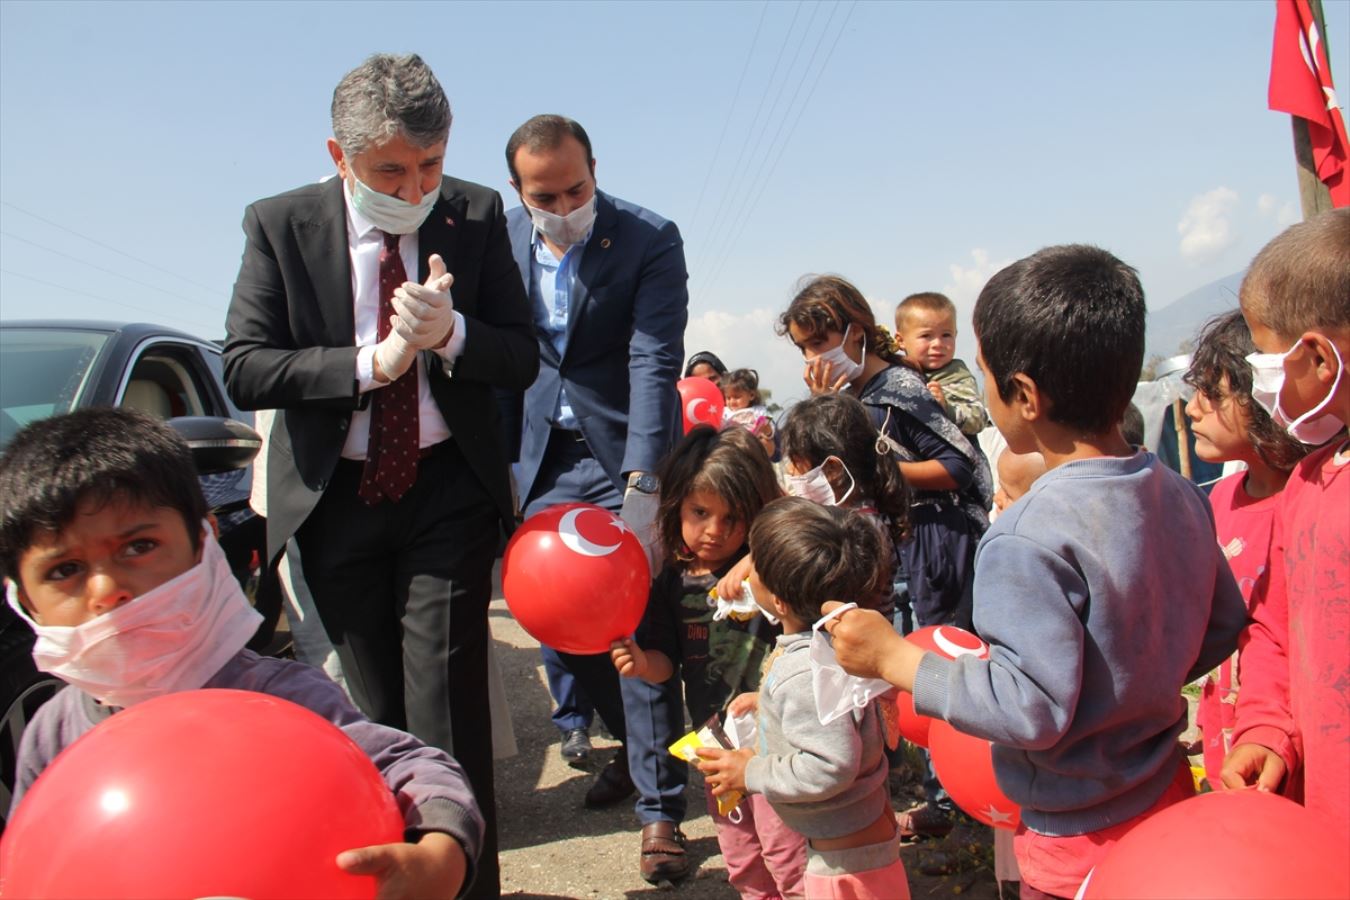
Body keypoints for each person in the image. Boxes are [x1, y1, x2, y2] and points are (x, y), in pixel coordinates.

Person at [821, 244, 1247, 900]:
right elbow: (1220, 627)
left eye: (986, 374)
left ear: (1022, 395)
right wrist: (1134, 684)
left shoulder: (1026, 536)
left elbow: (1028, 711)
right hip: (1167, 798)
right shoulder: (1181, 493)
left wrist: (895, 663)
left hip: (1076, 835)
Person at [222, 54, 538, 897]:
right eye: (391, 171)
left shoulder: (473, 213)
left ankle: (468, 887)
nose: (416, 186)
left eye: (430, 164)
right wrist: (370, 362)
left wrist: (453, 335)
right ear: (340, 156)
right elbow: (246, 367)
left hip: (446, 493)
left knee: (449, 715)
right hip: (338, 502)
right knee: (377, 723)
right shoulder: (280, 225)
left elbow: (520, 353)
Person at [0, 408, 485, 898]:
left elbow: (411, 768)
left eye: (138, 546)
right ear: (23, 597)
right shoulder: (52, 735)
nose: (106, 589)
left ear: (203, 542)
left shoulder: (281, 699)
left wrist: (438, 850)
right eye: (64, 570)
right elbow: (33, 860)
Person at [500, 113, 689, 877]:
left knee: (632, 626)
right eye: (546, 195)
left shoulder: (648, 238)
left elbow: (653, 359)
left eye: (577, 187)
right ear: (520, 191)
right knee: (559, 632)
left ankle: (660, 810)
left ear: (595, 168)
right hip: (538, 460)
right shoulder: (500, 240)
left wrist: (645, 484)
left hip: (621, 459)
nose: (565, 203)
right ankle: (629, 751)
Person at [776, 275, 993, 838]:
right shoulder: (855, 398)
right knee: (896, 675)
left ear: (857, 330)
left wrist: (880, 471)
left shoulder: (899, 389)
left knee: (933, 667)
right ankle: (933, 793)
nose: (813, 356)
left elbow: (959, 464)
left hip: (934, 545)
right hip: (894, 552)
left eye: (820, 341)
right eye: (803, 347)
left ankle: (960, 808)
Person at [610, 426, 805, 895]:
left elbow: (813, 532)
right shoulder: (672, 582)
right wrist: (639, 662)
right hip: (716, 749)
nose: (714, 531)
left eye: (732, 517)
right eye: (700, 512)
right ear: (676, 503)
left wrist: (758, 558)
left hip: (778, 746)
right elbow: (665, 664)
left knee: (789, 853)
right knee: (742, 857)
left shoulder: (776, 566)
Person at [699, 497, 908, 899]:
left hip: (844, 868)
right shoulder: (838, 641)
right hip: (859, 842)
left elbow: (831, 764)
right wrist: (769, 704)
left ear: (779, 601)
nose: (746, 570)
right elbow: (838, 712)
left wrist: (752, 772)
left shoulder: (801, 672)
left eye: (754, 564)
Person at [1220, 208, 1350, 848]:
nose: (1257, 377)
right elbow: (1276, 626)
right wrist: (1269, 727)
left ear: (1319, 359)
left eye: (1265, 357)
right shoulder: (1311, 481)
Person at [1181, 310, 1311, 789]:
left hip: (1293, 754)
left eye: (1212, 396)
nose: (1192, 409)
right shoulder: (1218, 500)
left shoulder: (1307, 507)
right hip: (1233, 745)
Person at [894, 292, 989, 437]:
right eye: (926, 336)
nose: (938, 344)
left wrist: (946, 408)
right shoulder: (894, 373)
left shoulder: (956, 374)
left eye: (946, 335)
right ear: (901, 341)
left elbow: (979, 418)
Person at [720, 368, 775, 459]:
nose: (732, 402)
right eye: (728, 398)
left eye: (737, 397)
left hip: (752, 445)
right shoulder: (725, 412)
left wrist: (767, 431)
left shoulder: (758, 411)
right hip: (730, 447)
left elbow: (768, 422)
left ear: (751, 395)